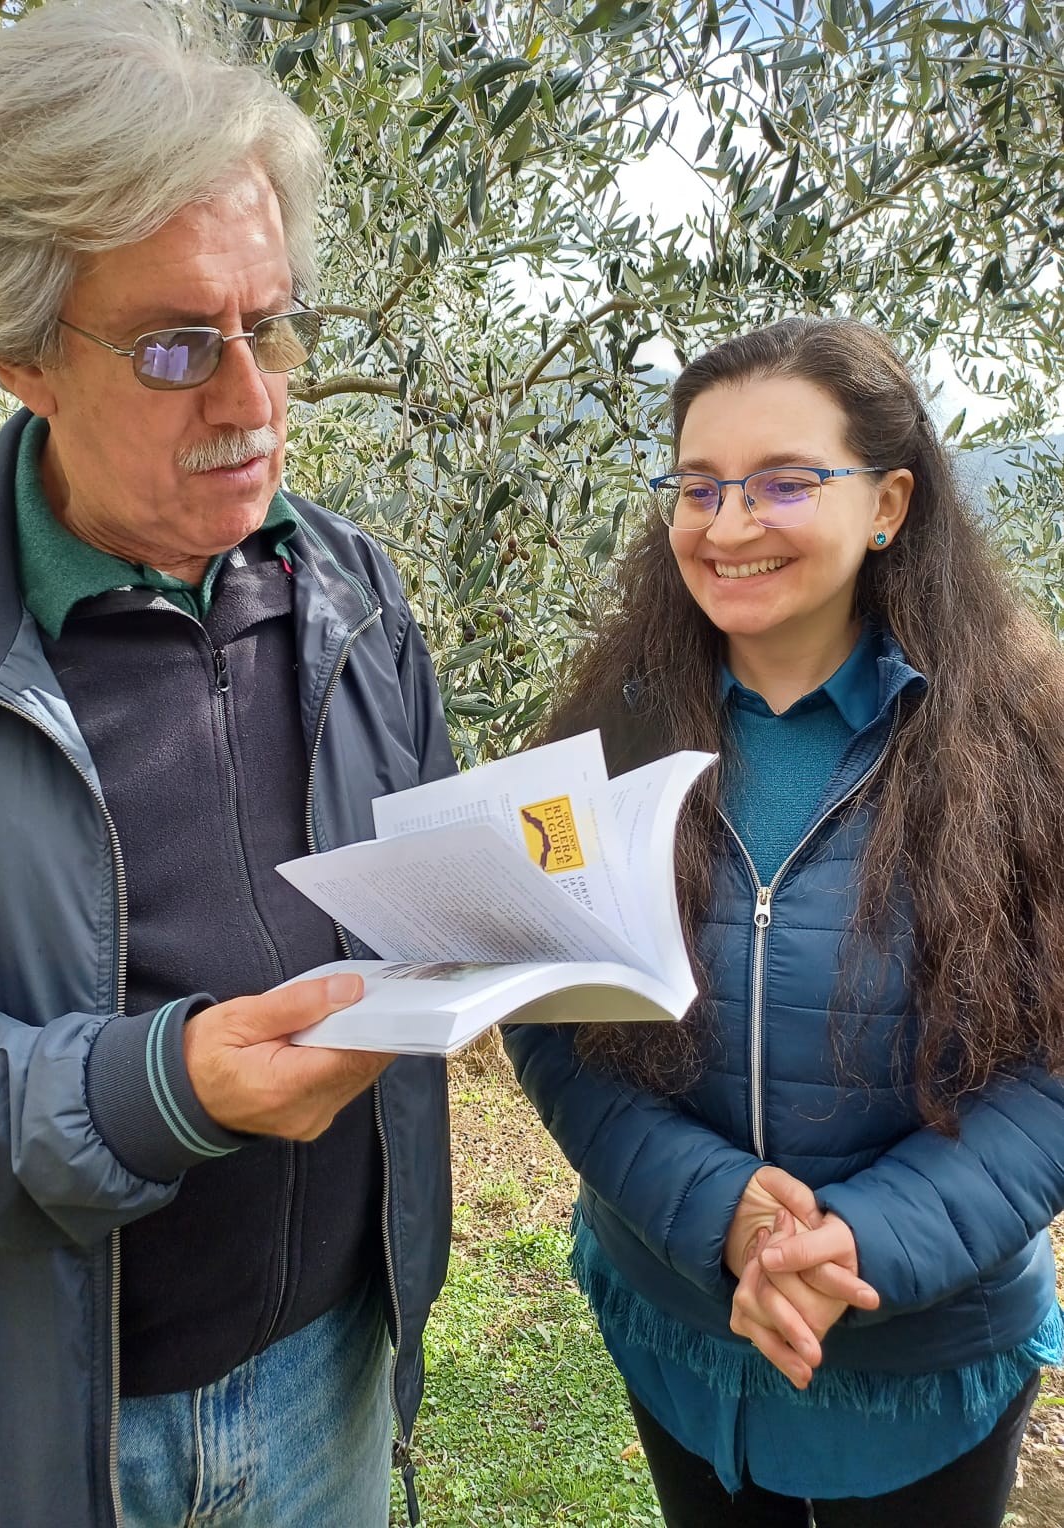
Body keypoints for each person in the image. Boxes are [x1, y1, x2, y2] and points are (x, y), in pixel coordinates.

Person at [0, 4, 454, 1525]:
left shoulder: (352, 587)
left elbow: (427, 878)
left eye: (270, 323)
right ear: (21, 351)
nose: (251, 400)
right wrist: (159, 1087)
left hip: (331, 1386)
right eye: (174, 346)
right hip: (36, 1425)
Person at [503, 317, 1064, 1527]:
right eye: (697, 487)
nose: (727, 523)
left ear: (889, 503)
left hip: (921, 1357)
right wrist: (724, 1210)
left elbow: (1054, 1068)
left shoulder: (1025, 740)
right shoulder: (608, 735)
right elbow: (551, 1023)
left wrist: (857, 1240)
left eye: (784, 483)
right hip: (681, 1325)